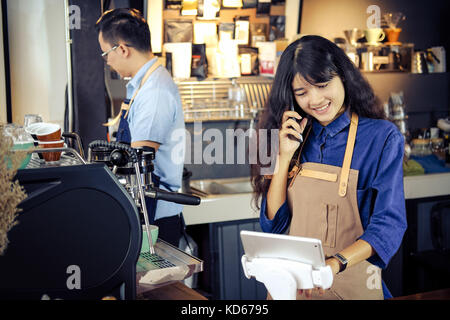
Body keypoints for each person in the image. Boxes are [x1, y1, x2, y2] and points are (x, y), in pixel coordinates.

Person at [251, 35, 407, 299]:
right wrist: (284, 156)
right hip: (295, 290)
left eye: (323, 85)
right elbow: (274, 227)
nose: (315, 100)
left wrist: (333, 264)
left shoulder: (382, 138)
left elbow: (388, 226)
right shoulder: (292, 138)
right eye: (302, 92)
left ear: (343, 77)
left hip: (353, 284)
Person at [95, 9, 185, 246]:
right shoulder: (143, 84)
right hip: (144, 209)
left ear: (122, 49)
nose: (107, 62)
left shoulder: (154, 92)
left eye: (106, 54)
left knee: (154, 283)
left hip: (154, 217)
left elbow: (138, 163)